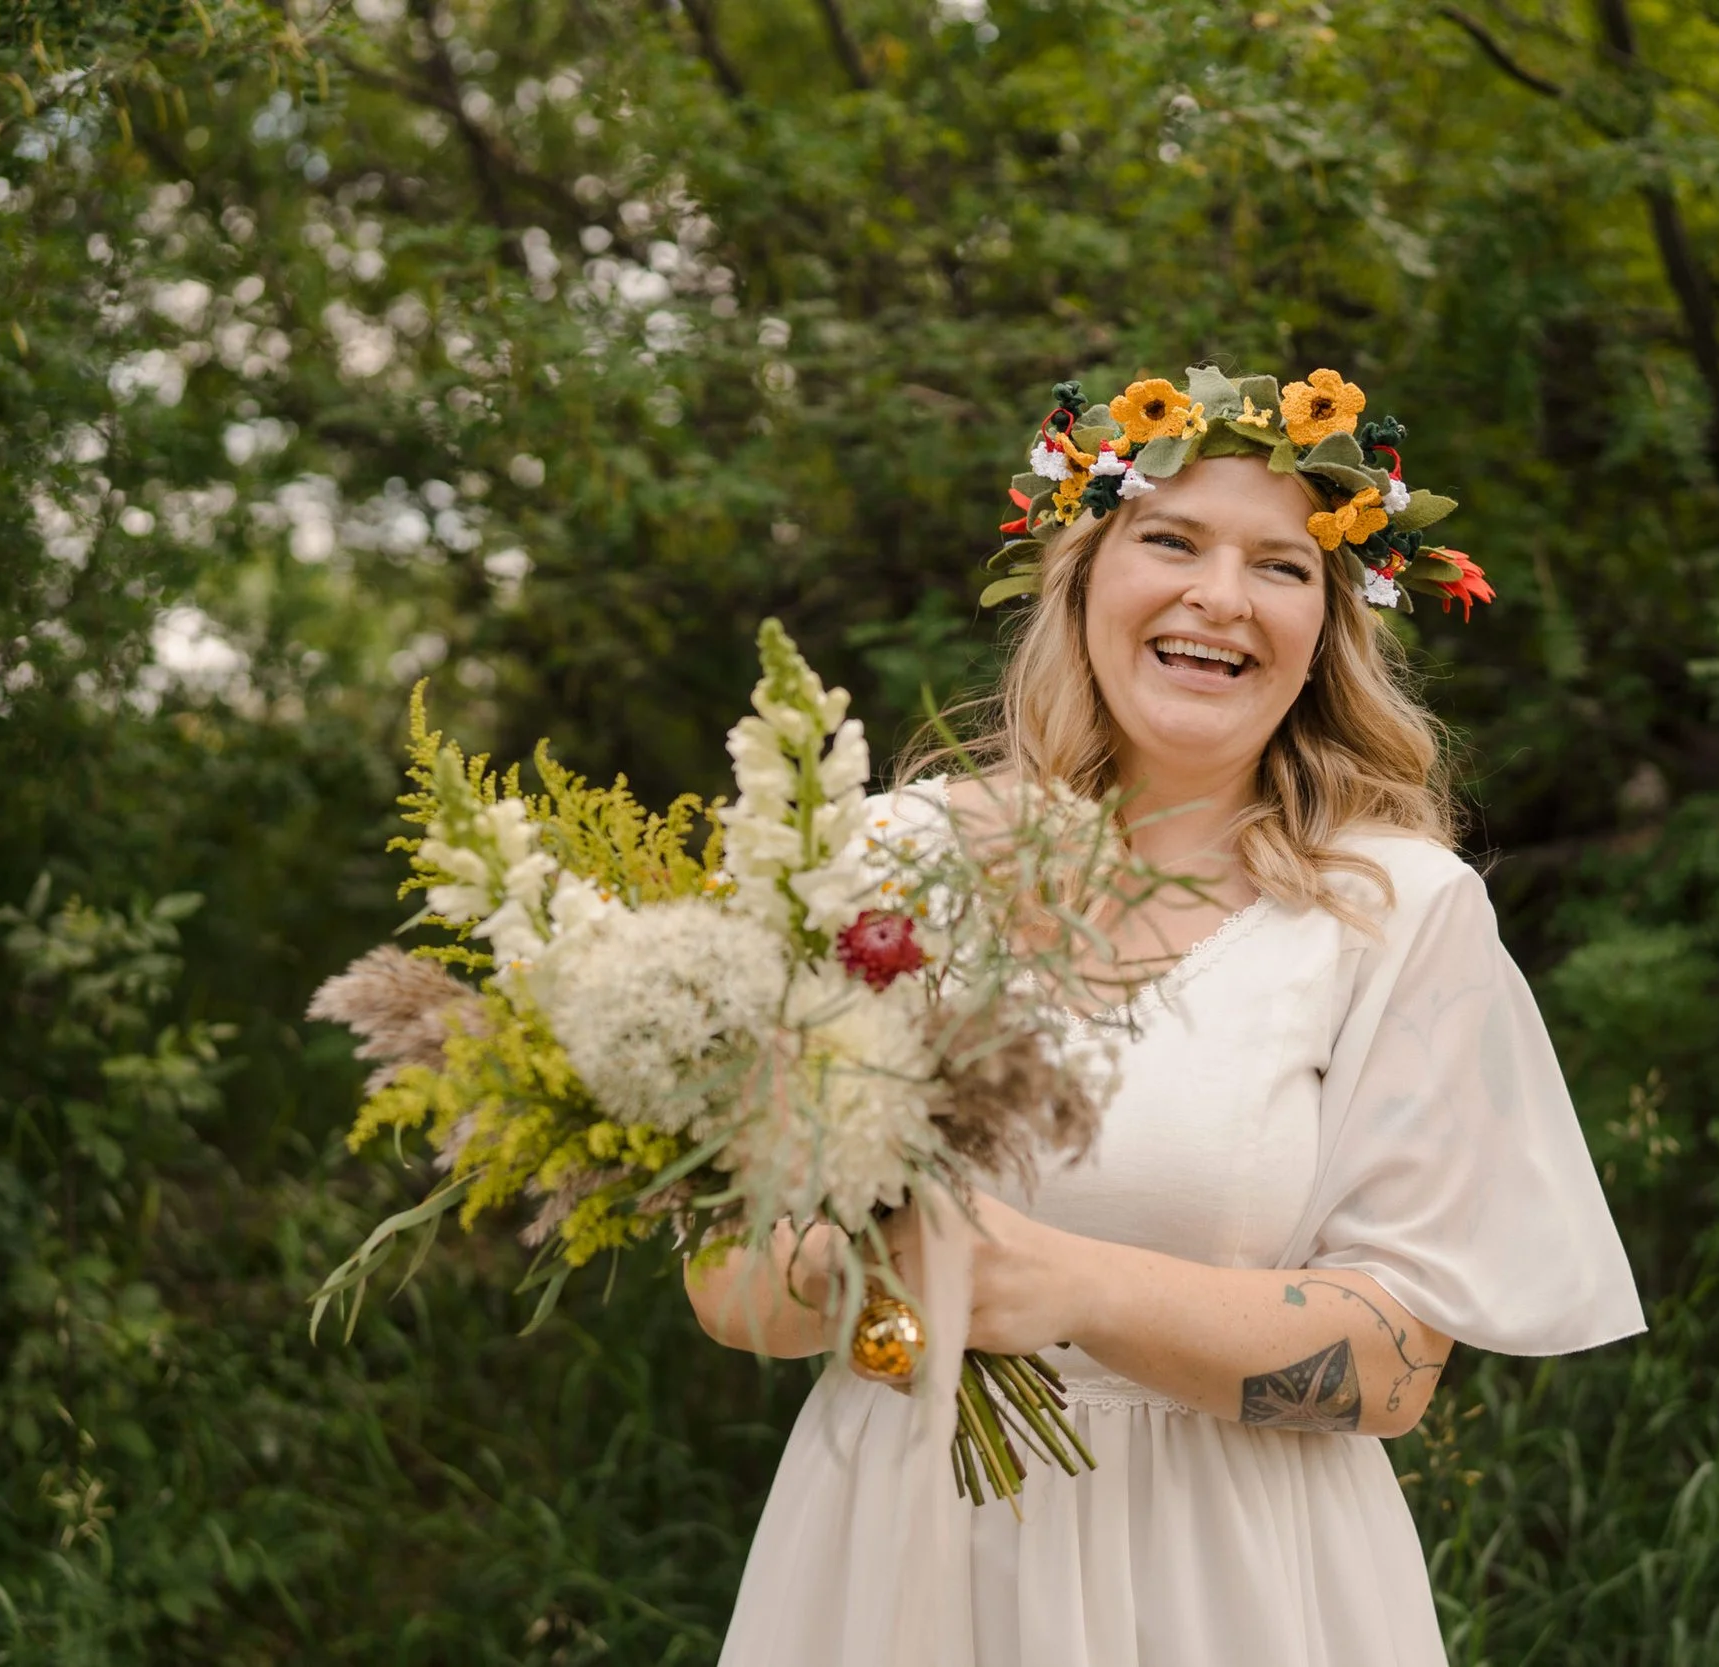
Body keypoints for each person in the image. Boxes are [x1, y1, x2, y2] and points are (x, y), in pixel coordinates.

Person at [686, 366, 1643, 1665]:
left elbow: (1394, 1367)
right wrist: (875, 1265)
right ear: (1082, 575)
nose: (1218, 596)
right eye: (1172, 540)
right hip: (897, 1557)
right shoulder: (884, 859)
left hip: (1236, 1586)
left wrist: (1063, 1282)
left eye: (1280, 564)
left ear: (1329, 624)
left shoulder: (1401, 914)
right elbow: (728, 1284)